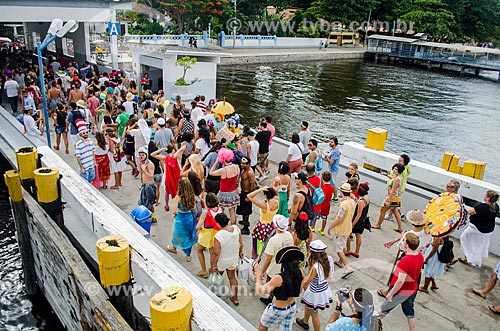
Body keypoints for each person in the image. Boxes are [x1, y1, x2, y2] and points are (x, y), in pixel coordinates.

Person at [379, 232, 424, 331]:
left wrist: (391, 294)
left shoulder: (405, 261)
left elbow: (400, 281)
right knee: (410, 313)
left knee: (383, 309)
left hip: (401, 291)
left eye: (403, 240)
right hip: (412, 289)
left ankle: (367, 326)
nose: (402, 241)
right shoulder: (420, 255)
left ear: (407, 245)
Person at [255, 245, 304, 331]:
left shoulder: (278, 278)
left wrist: (258, 274)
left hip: (278, 309)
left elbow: (260, 290)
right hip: (292, 307)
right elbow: (299, 290)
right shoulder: (300, 272)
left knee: (263, 325)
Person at [454, 190, 499, 267]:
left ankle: (470, 257)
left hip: (477, 228)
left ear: (488, 198)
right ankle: (468, 257)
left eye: (485, 195)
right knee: (479, 245)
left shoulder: (482, 207)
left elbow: (470, 212)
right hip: (488, 229)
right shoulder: (496, 206)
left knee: (465, 239)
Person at [296, 240, 334, 331]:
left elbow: (307, 282)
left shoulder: (315, 267)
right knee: (308, 305)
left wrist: (303, 289)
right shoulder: (329, 259)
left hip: (315, 292)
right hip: (324, 288)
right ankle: (305, 321)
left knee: (314, 314)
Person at [259, 215, 294, 305]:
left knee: (272, 285)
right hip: (285, 267)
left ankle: (272, 300)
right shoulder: (289, 235)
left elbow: (268, 260)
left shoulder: (273, 240)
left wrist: (262, 272)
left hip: (274, 268)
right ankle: (273, 299)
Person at [212, 213, 244, 306]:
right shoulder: (236, 228)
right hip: (233, 258)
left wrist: (214, 265)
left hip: (222, 260)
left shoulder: (218, 236)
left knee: (219, 277)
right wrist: (241, 251)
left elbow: (216, 254)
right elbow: (241, 242)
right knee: (232, 277)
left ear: (218, 223)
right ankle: (235, 298)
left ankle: (216, 293)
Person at [327, 182, 355, 278]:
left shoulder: (343, 205)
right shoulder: (352, 201)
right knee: (342, 245)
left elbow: (339, 218)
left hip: (341, 229)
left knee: (338, 249)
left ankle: (347, 267)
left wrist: (331, 226)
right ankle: (340, 261)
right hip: (348, 227)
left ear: (342, 191)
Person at [167, 178, 198, 262]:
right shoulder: (192, 196)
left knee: (176, 234)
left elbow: (174, 210)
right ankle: (188, 255)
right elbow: (194, 208)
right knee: (188, 236)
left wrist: (174, 215)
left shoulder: (178, 197)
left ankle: (174, 247)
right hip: (189, 217)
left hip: (180, 218)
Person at [209, 148, 240, 225]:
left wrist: (216, 161)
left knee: (220, 210)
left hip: (223, 192)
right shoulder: (237, 167)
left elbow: (211, 172)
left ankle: (220, 225)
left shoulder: (223, 170)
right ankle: (234, 227)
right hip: (233, 192)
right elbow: (237, 180)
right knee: (232, 211)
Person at [195, 193, 223, 279]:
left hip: (207, 233)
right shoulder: (220, 209)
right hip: (216, 233)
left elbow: (198, 226)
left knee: (199, 250)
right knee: (212, 253)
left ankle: (203, 270)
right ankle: (212, 270)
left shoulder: (206, 212)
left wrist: (198, 229)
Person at [248, 186, 279, 259]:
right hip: (272, 225)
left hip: (262, 226)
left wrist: (260, 189)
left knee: (256, 244)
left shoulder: (264, 206)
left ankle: (254, 258)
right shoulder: (277, 201)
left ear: (265, 195)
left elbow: (249, 196)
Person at [373, 163, 404, 233]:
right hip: (397, 198)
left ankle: (378, 224)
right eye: (394, 168)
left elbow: (393, 190)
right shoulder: (398, 177)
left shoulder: (396, 179)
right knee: (395, 211)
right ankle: (400, 227)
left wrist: (388, 200)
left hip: (392, 197)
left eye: (396, 169)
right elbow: (393, 179)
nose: (394, 170)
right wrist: (386, 175)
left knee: (382, 210)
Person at [150, 145, 183, 211]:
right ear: (173, 150)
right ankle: (179, 204)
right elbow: (181, 150)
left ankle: (167, 205)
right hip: (176, 176)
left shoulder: (165, 158)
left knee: (167, 192)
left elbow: (152, 154)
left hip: (167, 176)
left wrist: (162, 149)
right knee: (178, 190)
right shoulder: (176, 157)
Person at [345, 182, 370, 258]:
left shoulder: (361, 201)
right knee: (358, 235)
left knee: (348, 234)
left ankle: (348, 250)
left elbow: (358, 214)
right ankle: (357, 252)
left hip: (357, 220)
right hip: (363, 220)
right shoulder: (367, 198)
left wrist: (352, 225)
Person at [237, 156, 258, 235]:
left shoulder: (249, 172)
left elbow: (252, 184)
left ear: (248, 164)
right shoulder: (244, 170)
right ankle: (244, 221)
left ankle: (246, 228)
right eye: (241, 163)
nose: (242, 164)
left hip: (247, 194)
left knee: (246, 212)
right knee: (242, 210)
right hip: (243, 192)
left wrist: (249, 197)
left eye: (244, 163)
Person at [137, 146, 157, 222]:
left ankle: (153, 217)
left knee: (149, 204)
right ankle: (148, 217)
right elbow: (140, 173)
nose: (141, 156)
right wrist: (140, 166)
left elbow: (151, 176)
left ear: (146, 155)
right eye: (140, 155)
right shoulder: (142, 163)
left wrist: (144, 170)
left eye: (143, 155)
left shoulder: (150, 164)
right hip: (144, 185)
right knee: (141, 203)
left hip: (149, 186)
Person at [317, 171, 334, 236]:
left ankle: (313, 227)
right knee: (324, 218)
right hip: (327, 205)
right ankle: (322, 230)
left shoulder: (323, 187)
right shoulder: (331, 187)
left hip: (321, 205)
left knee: (316, 217)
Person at [325, 136, 340, 202]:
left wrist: (326, 157)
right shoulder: (334, 149)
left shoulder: (335, 152)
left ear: (335, 143)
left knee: (333, 184)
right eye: (329, 142)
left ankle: (335, 197)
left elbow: (331, 162)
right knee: (331, 183)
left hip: (333, 169)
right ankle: (332, 196)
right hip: (332, 169)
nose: (330, 143)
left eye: (331, 142)